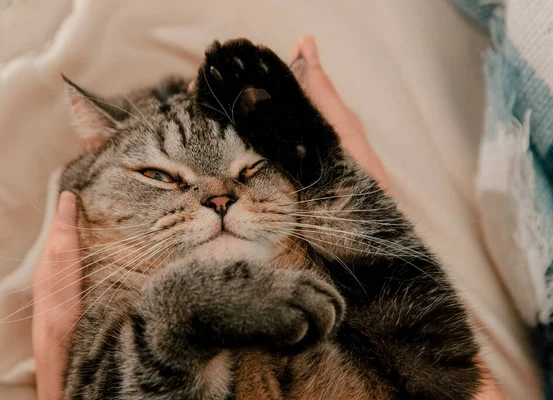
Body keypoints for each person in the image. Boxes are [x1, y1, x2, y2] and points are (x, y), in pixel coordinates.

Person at [33, 37, 502, 400]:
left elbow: (441, 376)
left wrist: (55, 346)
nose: (218, 197)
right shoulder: (113, 301)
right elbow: (450, 379)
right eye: (159, 174)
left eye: (252, 168)